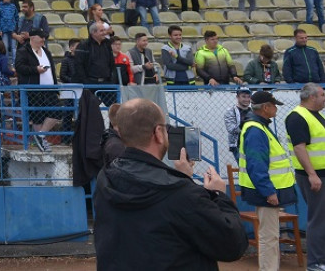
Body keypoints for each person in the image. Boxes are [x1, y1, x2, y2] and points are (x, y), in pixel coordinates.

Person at [93, 98, 247, 270]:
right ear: (158, 133)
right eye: (165, 129)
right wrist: (218, 196)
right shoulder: (182, 193)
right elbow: (232, 244)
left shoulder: (105, 178)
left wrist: (181, 179)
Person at [239, 91, 298, 271]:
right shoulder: (256, 129)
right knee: (269, 237)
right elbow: (256, 165)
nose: (276, 110)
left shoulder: (258, 127)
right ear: (265, 107)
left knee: (270, 236)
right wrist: (269, 191)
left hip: (268, 190)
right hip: (267, 192)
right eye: (274, 106)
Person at [285, 83, 325, 271]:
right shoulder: (297, 117)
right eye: (322, 95)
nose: (324, 98)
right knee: (318, 219)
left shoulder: (314, 115)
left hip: (320, 174)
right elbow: (299, 147)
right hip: (315, 176)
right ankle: (316, 263)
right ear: (312, 97)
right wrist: (312, 174)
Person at [14, 29, 60, 152]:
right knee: (37, 117)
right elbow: (19, 67)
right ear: (32, 37)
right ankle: (42, 142)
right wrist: (35, 69)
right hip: (34, 89)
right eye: (41, 37)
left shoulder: (46, 51)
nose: (43, 39)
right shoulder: (23, 51)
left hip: (49, 89)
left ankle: (40, 135)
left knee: (57, 112)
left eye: (44, 37)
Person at [223, 87, 253, 162]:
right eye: (243, 96)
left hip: (252, 144)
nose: (246, 99)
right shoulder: (230, 111)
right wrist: (245, 126)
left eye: (248, 97)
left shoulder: (253, 111)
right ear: (237, 97)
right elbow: (231, 129)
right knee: (244, 170)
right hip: (238, 146)